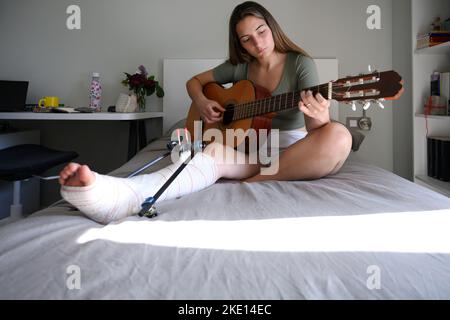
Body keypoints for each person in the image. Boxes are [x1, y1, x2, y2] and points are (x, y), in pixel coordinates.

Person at [59, 1, 352, 224]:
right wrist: (200, 101)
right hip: (251, 149)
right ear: (240, 44)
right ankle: (124, 195)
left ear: (271, 26)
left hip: (290, 147)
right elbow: (194, 82)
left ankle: (252, 182)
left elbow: (316, 130)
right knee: (208, 154)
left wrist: (320, 113)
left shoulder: (300, 64)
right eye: (247, 39)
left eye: (261, 31)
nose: (257, 43)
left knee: (338, 135)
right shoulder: (240, 66)